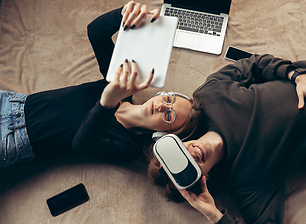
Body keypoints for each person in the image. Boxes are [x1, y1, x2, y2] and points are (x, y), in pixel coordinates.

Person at [148, 9, 306, 224]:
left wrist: (296, 75)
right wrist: (215, 216)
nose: (191, 156)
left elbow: (255, 64)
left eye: (178, 154)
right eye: (188, 168)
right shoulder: (247, 185)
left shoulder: (208, 96)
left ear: (177, 142)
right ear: (200, 181)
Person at [0, 1, 200, 168]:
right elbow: (96, 33)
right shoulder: (120, 85)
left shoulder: (127, 147)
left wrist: (107, 102)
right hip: (11, 101)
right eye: (168, 99)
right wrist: (124, 15)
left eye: (168, 115)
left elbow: (83, 144)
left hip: (13, 139)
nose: (161, 105)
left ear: (165, 134)